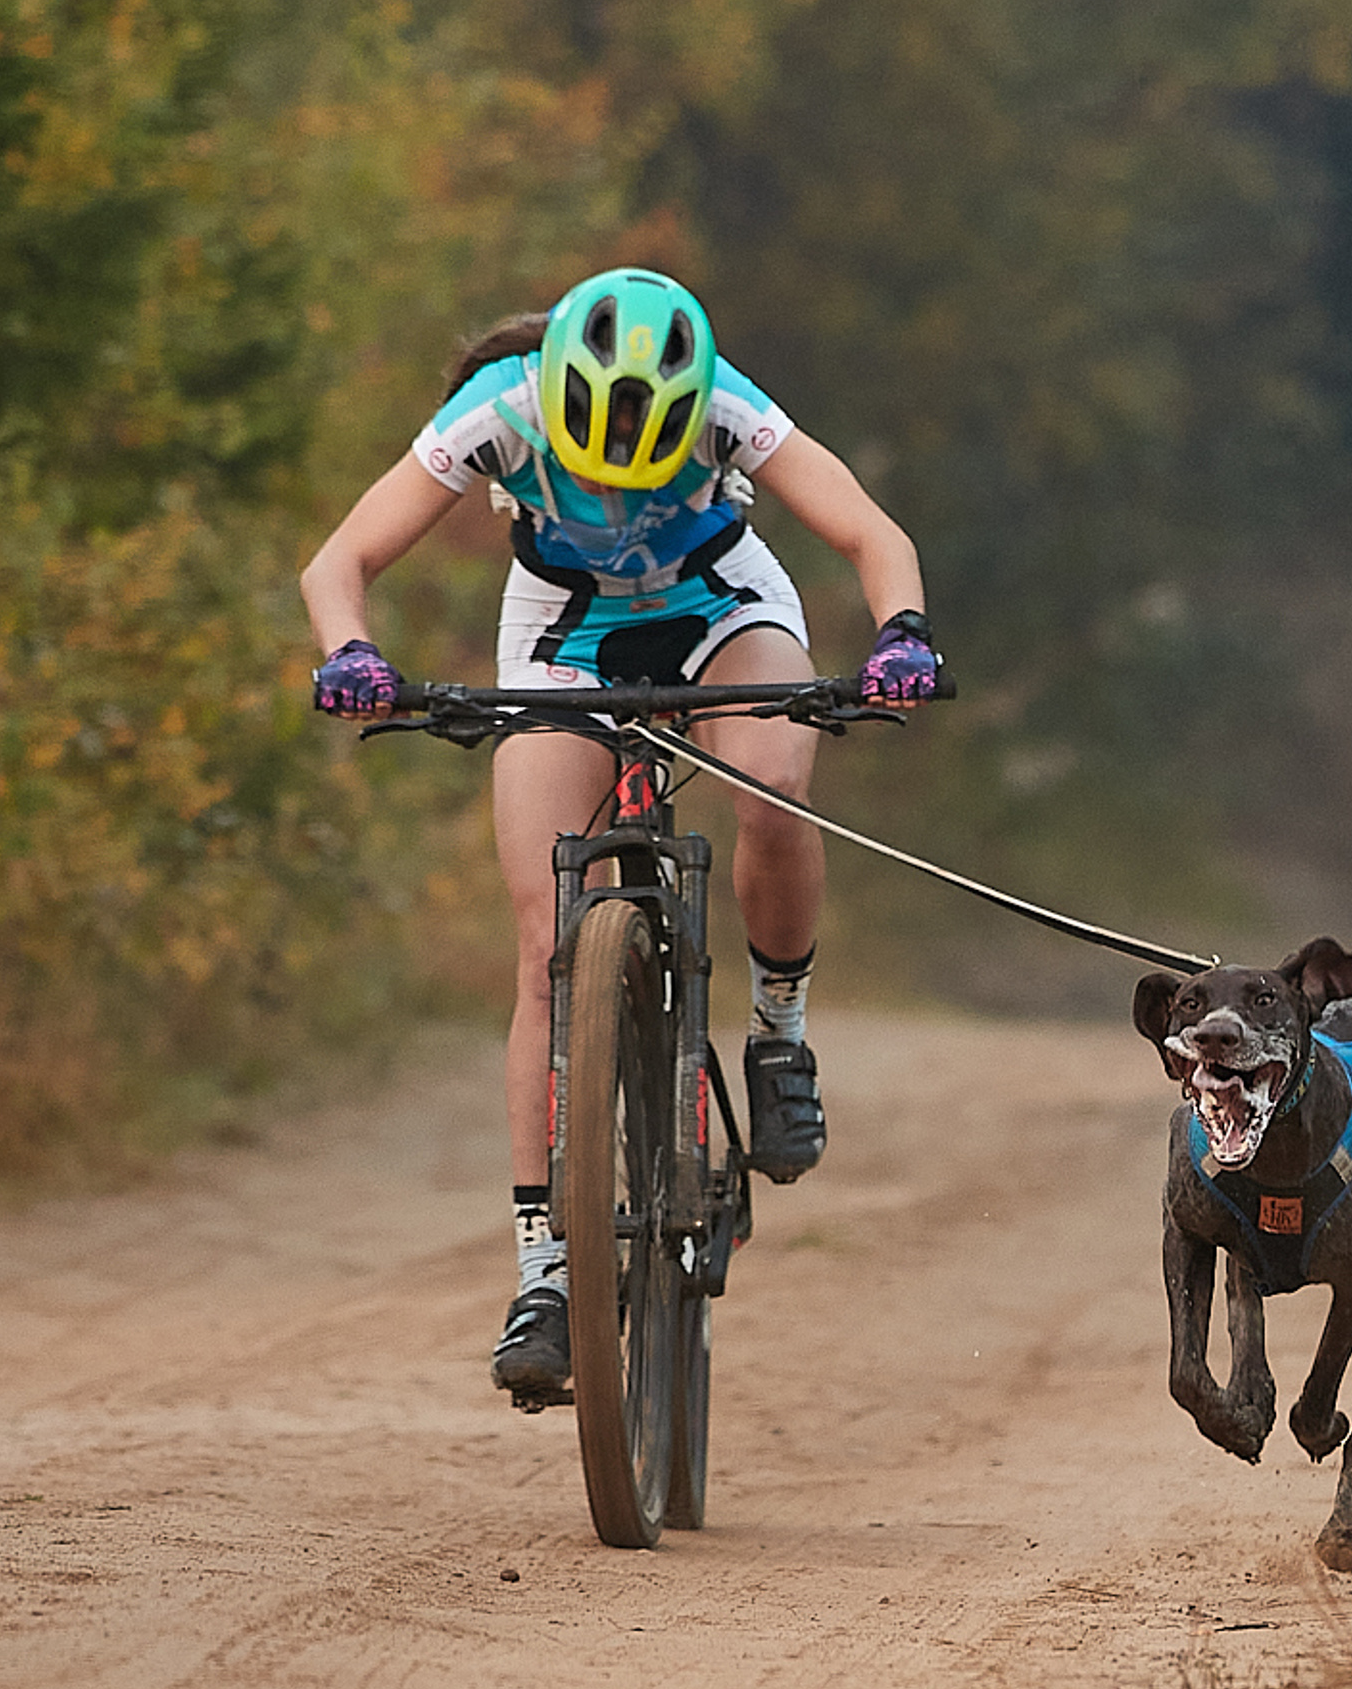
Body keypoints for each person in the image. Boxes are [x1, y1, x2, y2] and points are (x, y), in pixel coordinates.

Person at [300, 269, 938, 1399]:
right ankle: (545, 1269)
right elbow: (337, 562)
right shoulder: (502, 405)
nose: (606, 473)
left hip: (720, 613)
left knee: (774, 778)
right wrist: (351, 652)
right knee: (547, 942)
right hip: (564, 639)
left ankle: (780, 1033)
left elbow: (865, 528)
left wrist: (900, 634)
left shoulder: (726, 401)